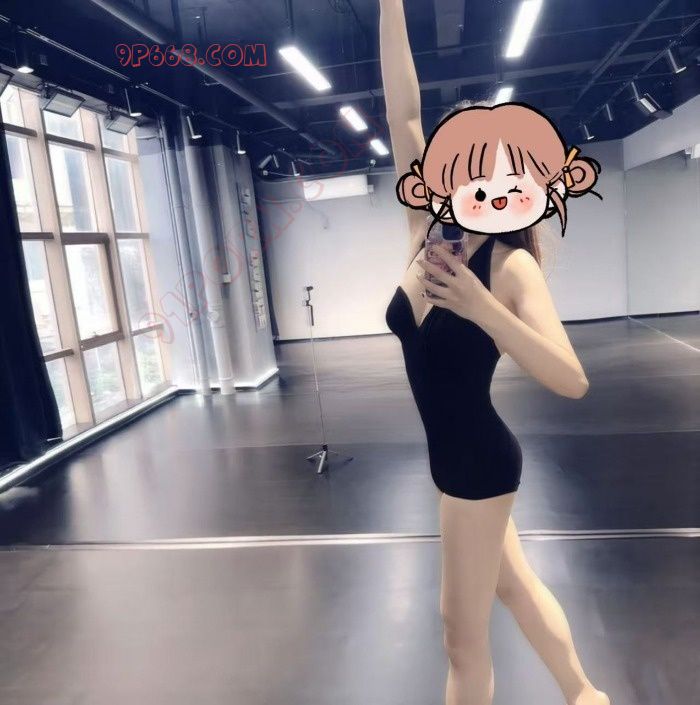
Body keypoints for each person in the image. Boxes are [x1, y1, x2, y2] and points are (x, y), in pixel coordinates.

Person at [379, 2, 610, 704]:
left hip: (479, 464)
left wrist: (483, 309)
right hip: (451, 461)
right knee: (514, 586)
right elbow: (402, 114)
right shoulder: (426, 232)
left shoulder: (511, 268)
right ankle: (585, 694)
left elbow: (571, 379)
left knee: (461, 637)